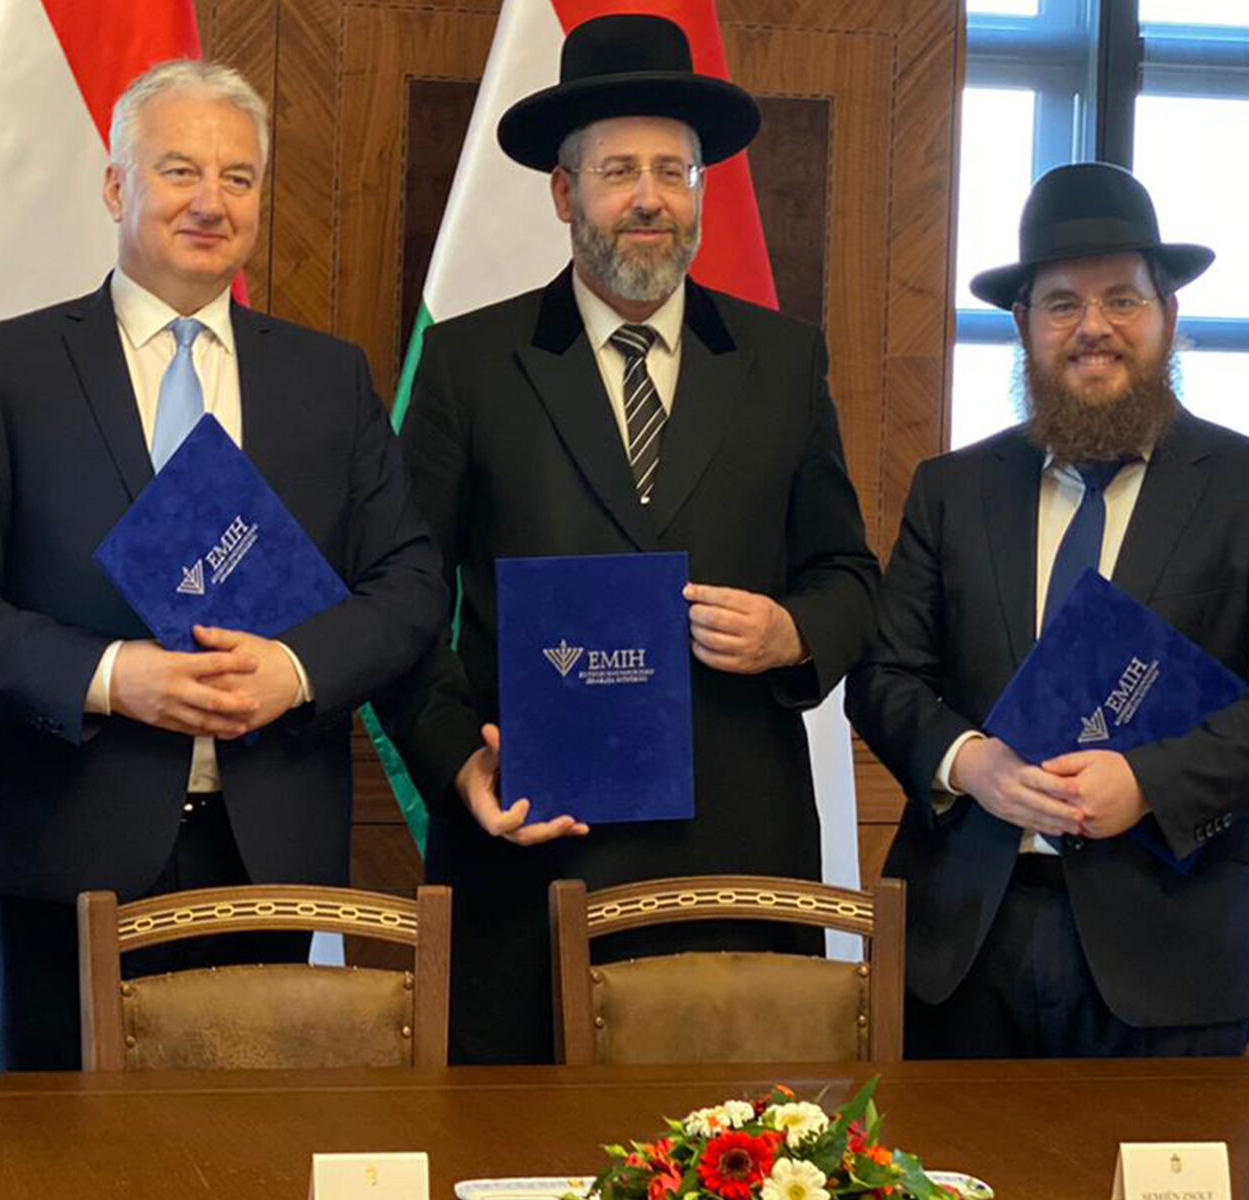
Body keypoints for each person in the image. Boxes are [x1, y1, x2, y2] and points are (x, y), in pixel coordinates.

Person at [0, 60, 446, 1071]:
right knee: (58, 1160)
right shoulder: (12, 368)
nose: (210, 202)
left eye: (238, 179)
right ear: (116, 187)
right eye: (180, 169)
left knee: (241, 1150)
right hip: (65, 841)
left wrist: (297, 671)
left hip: (266, 842)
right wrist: (110, 677)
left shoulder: (326, 378)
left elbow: (410, 584)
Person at [373, 14, 880, 1064]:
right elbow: (401, 604)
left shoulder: (783, 362)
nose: (649, 197)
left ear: (700, 190)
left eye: (673, 170)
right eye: (617, 171)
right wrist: (461, 763)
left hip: (740, 852)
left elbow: (848, 578)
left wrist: (794, 631)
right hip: (534, 847)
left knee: (742, 1155)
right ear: (565, 195)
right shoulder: (472, 364)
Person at [846, 161, 1249, 1057]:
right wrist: (973, 765)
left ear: (1168, 317)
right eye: (1061, 304)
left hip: (1182, 940)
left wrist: (1147, 784)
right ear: (1023, 326)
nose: (1093, 329)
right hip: (968, 943)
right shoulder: (952, 491)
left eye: (1122, 299)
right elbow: (884, 678)